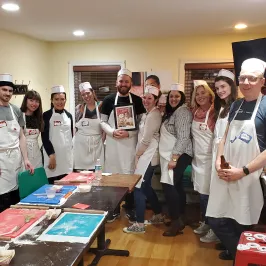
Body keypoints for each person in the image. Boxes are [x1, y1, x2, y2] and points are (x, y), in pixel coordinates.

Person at [207, 58, 266, 262]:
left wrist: (244, 171)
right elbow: (224, 137)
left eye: (252, 78)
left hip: (249, 175)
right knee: (215, 217)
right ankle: (238, 252)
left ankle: (240, 258)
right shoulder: (236, 105)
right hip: (226, 172)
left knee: (242, 222)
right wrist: (218, 161)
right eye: (243, 78)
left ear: (262, 81)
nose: (247, 82)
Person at [101, 69, 146, 222]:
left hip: (129, 144)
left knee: (129, 176)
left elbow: (141, 124)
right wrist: (112, 132)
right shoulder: (108, 100)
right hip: (113, 144)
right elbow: (102, 121)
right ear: (116, 83)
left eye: (126, 81)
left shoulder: (138, 101)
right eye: (121, 81)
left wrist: (129, 133)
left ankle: (130, 207)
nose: (123, 84)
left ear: (131, 83)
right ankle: (113, 208)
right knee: (113, 178)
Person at [200, 70, 237, 245]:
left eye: (223, 86)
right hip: (217, 153)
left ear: (232, 86)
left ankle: (229, 240)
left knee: (226, 197)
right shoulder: (221, 107)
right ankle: (225, 238)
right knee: (218, 195)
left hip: (227, 155)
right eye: (217, 88)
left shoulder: (236, 106)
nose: (220, 90)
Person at [123, 85, 163, 234]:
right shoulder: (147, 114)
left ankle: (139, 224)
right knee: (146, 187)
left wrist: (138, 155)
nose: (146, 100)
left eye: (149, 98)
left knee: (138, 188)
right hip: (145, 154)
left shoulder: (154, 115)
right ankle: (158, 214)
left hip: (148, 155)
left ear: (156, 100)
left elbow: (146, 140)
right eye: (144, 97)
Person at [159, 83, 193, 237]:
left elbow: (184, 137)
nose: (173, 99)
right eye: (171, 96)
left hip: (180, 154)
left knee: (168, 185)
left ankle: (176, 221)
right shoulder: (173, 112)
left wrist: (174, 157)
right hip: (173, 154)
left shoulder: (183, 112)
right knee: (177, 185)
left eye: (176, 96)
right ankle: (181, 216)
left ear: (182, 98)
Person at [0, 73, 34, 212]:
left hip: (16, 159)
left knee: (16, 197)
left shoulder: (16, 111)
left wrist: (26, 159)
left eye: (10, 90)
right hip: (1, 160)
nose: (7, 93)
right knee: (2, 199)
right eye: (4, 90)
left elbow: (21, 136)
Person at [190, 80, 217, 239]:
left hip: (209, 161)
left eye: (203, 93)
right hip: (197, 160)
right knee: (201, 194)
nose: (200, 96)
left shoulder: (214, 113)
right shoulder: (194, 112)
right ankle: (206, 222)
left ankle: (215, 229)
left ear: (210, 94)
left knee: (209, 196)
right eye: (197, 94)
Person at [41, 85, 73, 184]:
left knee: (67, 187)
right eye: (57, 99)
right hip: (52, 157)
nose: (60, 102)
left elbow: (70, 137)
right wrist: (51, 155)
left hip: (66, 158)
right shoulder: (46, 115)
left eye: (62, 99)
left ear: (65, 100)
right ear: (52, 100)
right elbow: (44, 138)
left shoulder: (69, 116)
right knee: (53, 186)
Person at [73, 82, 104, 170]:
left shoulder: (101, 106)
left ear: (93, 92)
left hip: (97, 146)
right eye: (83, 95)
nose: (86, 96)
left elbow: (105, 126)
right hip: (81, 147)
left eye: (88, 93)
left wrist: (102, 139)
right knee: (81, 174)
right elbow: (76, 127)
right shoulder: (79, 108)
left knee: (97, 172)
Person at [20, 90, 44, 168]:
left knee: (37, 178)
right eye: (31, 100)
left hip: (37, 154)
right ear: (26, 100)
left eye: (37, 101)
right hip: (22, 155)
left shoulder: (39, 117)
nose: (34, 104)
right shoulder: (19, 116)